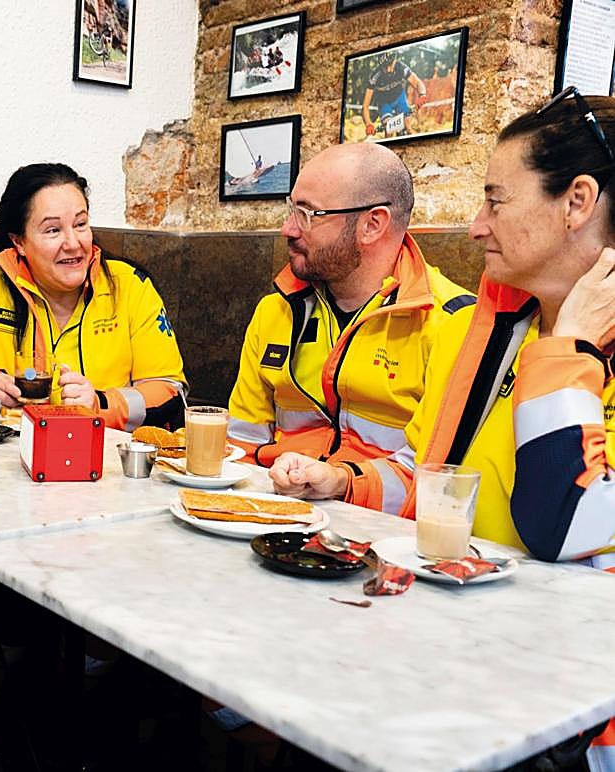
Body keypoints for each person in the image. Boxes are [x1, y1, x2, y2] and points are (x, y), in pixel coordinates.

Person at [270, 87, 615, 771]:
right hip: (458, 648)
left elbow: (569, 526)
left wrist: (570, 350)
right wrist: (343, 483)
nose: (475, 227)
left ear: (576, 202)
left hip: (568, 719)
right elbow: (436, 484)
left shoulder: (557, 345)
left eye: (495, 199)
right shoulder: (494, 329)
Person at [227, 143, 474, 475]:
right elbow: (240, 445)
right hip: (273, 507)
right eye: (291, 209)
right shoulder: (275, 310)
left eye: (307, 214)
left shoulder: (452, 324)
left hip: (381, 523)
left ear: (372, 225)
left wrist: (343, 483)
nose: (288, 228)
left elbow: (437, 477)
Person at [0, 162, 187, 431]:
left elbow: (169, 389)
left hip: (107, 464)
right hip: (8, 460)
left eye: (80, 224)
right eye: (53, 230)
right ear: (19, 242)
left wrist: (99, 404)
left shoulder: (130, 286)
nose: (73, 243)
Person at [361, 52, 428, 137]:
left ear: (395, 60)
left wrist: (422, 94)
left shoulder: (401, 67)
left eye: (390, 65)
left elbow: (417, 82)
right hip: (384, 103)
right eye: (385, 67)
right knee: (389, 129)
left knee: (408, 125)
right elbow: (365, 105)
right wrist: (368, 123)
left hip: (399, 97)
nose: (388, 69)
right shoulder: (375, 76)